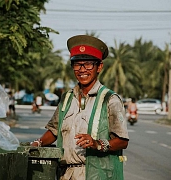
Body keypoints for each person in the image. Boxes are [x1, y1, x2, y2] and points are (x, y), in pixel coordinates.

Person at [30, 35, 129, 180]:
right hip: (65, 174)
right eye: (77, 64)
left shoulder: (110, 99)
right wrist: (37, 143)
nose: (82, 70)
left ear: (99, 67)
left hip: (95, 175)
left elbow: (122, 141)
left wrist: (97, 144)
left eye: (88, 64)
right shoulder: (67, 98)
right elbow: (53, 130)